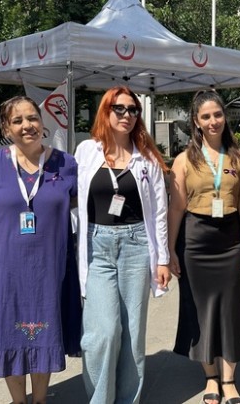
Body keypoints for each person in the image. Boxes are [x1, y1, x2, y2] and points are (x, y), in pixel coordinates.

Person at [0, 96, 82, 404]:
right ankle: (18, 401)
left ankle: (40, 399)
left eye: (32, 118)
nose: (26, 125)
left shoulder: (66, 164)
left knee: (46, 332)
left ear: (42, 123)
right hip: (3, 270)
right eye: (17, 121)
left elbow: (71, 204)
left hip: (49, 268)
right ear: (6, 127)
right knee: (7, 333)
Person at [75, 86, 171, 404]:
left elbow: (159, 211)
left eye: (133, 110)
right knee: (102, 332)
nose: (127, 115)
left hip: (136, 245)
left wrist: (162, 260)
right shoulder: (87, 151)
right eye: (120, 108)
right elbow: (74, 199)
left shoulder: (147, 158)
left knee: (132, 333)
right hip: (97, 245)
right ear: (106, 110)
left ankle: (129, 398)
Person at [168, 90, 240, 404]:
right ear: (196, 121)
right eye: (205, 116)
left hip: (232, 241)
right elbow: (177, 208)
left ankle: (230, 379)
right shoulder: (183, 160)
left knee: (231, 310)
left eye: (217, 115)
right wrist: (169, 250)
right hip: (195, 242)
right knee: (201, 310)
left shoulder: (239, 158)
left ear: (224, 117)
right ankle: (211, 377)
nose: (213, 121)